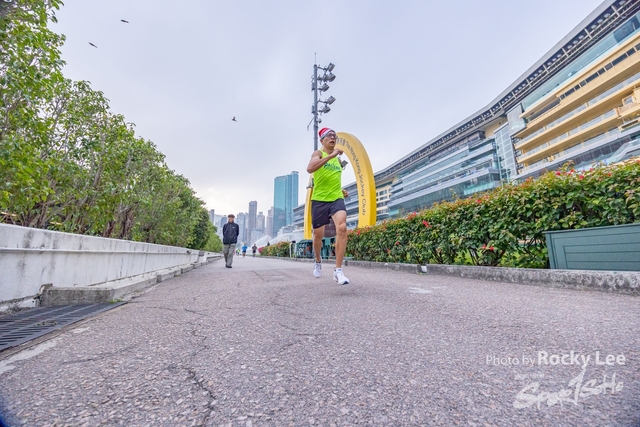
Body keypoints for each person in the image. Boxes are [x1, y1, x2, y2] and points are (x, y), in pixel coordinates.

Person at [306, 127, 350, 285]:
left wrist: (341, 190)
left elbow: (332, 178)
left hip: (336, 198)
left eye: (334, 136)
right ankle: (318, 260)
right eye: (329, 136)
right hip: (319, 200)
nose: (333, 138)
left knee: (342, 227)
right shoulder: (318, 153)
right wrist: (331, 155)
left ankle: (338, 270)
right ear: (322, 140)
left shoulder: (338, 160)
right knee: (318, 235)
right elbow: (310, 168)